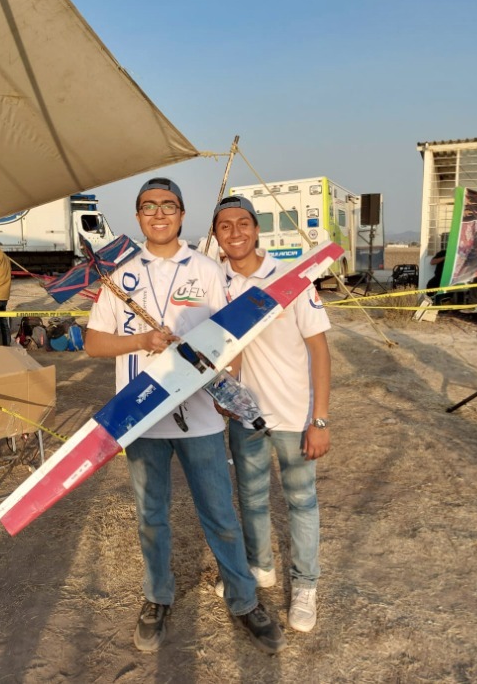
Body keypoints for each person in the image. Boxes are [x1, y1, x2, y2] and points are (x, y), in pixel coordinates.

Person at [85, 178, 286, 655]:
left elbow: (230, 338)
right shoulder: (118, 275)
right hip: (141, 419)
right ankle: (157, 597)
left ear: (181, 214)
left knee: (219, 514)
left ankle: (243, 600)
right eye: (149, 206)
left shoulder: (207, 270)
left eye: (168, 206)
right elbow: (93, 343)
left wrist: (227, 384)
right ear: (138, 216)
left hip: (201, 417)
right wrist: (140, 341)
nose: (159, 214)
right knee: (151, 517)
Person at [212, 195, 332, 633]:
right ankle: (261, 567)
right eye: (225, 226)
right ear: (216, 235)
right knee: (252, 499)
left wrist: (319, 420)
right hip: (247, 419)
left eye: (243, 222)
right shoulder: (217, 283)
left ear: (257, 228)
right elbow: (233, 347)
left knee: (302, 502)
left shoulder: (290, 278)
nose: (235, 232)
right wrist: (226, 390)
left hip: (296, 418)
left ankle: (306, 586)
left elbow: (320, 350)